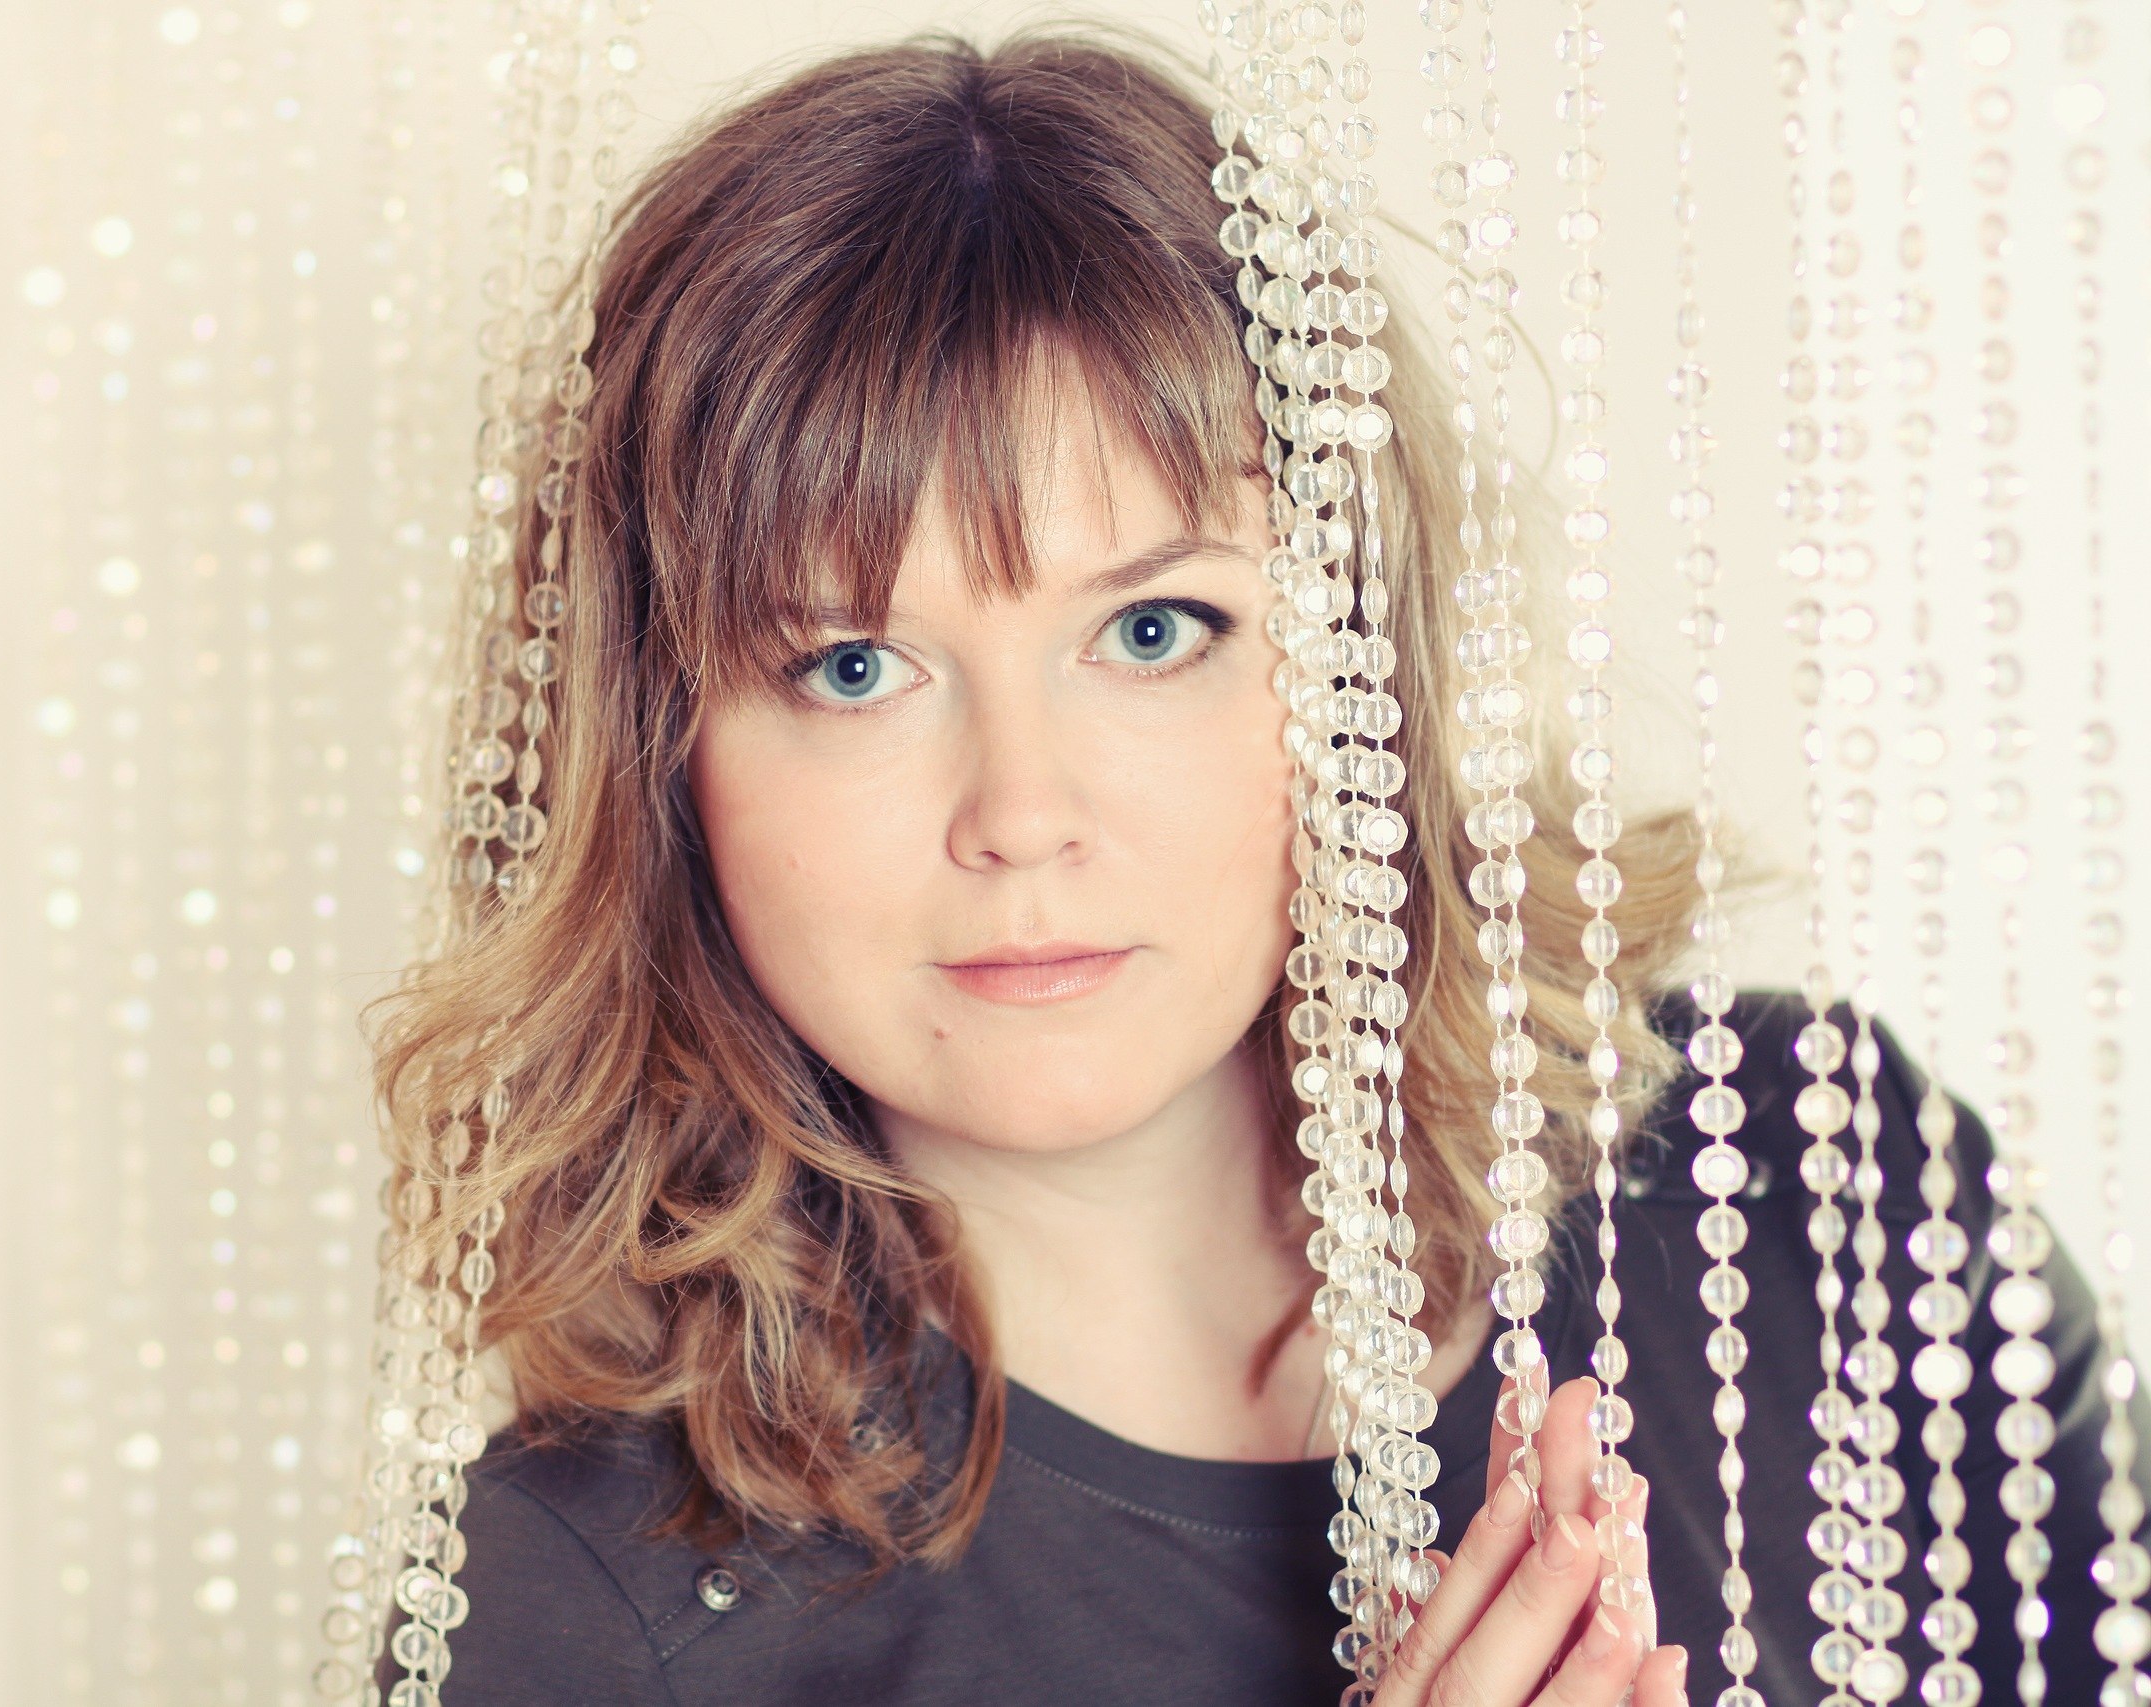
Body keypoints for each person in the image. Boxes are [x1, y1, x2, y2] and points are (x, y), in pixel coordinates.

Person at [366, 26, 2145, 1706]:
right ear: (659, 765)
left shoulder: (1810, 1183)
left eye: (1154, 630)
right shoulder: (568, 1615)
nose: (1022, 811)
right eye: (850, 667)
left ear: (1364, 663)